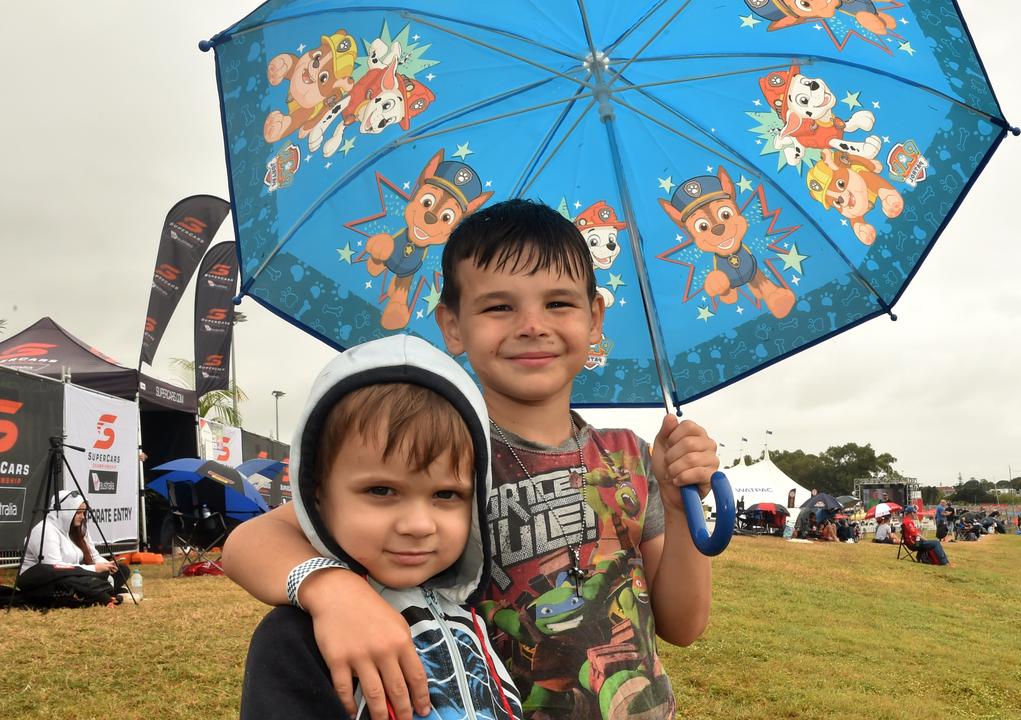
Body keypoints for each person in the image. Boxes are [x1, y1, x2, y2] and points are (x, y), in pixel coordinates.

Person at [222, 199, 719, 720]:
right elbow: (250, 542)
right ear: (453, 325)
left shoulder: (631, 457)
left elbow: (682, 626)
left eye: (559, 303)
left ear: (594, 318)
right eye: (499, 307)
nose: (532, 325)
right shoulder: (437, 453)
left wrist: (678, 505)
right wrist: (333, 591)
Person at [239, 335, 524, 720]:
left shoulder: (471, 619)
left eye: (446, 494)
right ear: (317, 496)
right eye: (381, 490)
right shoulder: (296, 637)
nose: (418, 525)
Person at [19, 490, 129, 603]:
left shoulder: (78, 529)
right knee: (70, 581)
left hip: (75, 574)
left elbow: (94, 556)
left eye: (84, 513)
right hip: (43, 580)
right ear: (65, 511)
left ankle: (99, 591)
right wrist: (94, 569)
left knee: (122, 570)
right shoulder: (45, 530)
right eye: (79, 513)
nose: (82, 517)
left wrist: (108, 565)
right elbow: (54, 568)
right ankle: (103, 592)